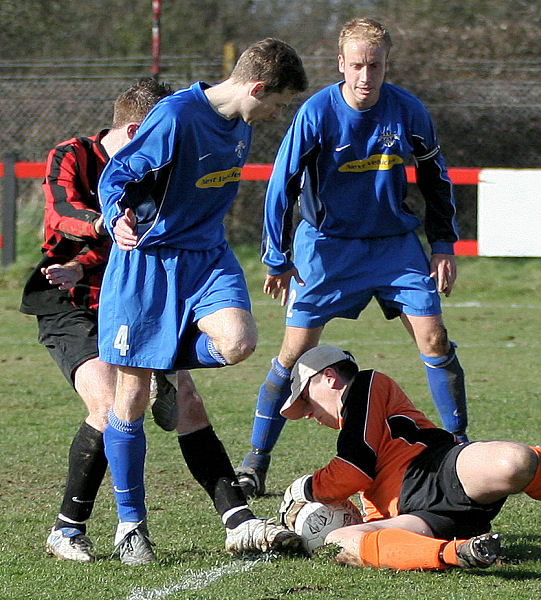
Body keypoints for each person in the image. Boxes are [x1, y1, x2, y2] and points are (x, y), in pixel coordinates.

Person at [20, 78, 297, 566]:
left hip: (144, 294)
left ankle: (239, 520)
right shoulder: (76, 155)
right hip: (73, 298)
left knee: (186, 398)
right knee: (110, 403)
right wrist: (101, 232)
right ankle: (67, 528)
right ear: (135, 129)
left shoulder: (172, 147)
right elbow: (61, 211)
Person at [97, 39, 309, 565]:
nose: (277, 114)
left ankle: (164, 362)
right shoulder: (175, 117)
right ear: (257, 88)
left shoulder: (241, 125)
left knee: (239, 343)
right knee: (129, 396)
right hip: (148, 263)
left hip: (207, 257)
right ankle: (130, 526)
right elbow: (117, 174)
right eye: (278, 103)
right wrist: (117, 214)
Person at [238, 17, 467, 498]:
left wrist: (443, 244)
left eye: (376, 66)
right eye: (358, 65)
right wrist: (277, 257)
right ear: (341, 64)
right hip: (326, 249)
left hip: (393, 246)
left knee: (434, 337)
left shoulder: (408, 111)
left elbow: (435, 179)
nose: (367, 76)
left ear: (387, 65)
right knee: (294, 353)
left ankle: (459, 446)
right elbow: (282, 187)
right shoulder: (317, 113)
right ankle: (255, 461)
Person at [277, 345, 541, 570]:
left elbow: (354, 467)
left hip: (438, 469)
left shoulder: (365, 384)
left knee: (516, 463)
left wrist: (304, 488)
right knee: (338, 541)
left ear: (328, 378)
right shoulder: (349, 428)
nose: (309, 415)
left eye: (306, 402)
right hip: (418, 517)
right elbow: (356, 481)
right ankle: (463, 552)